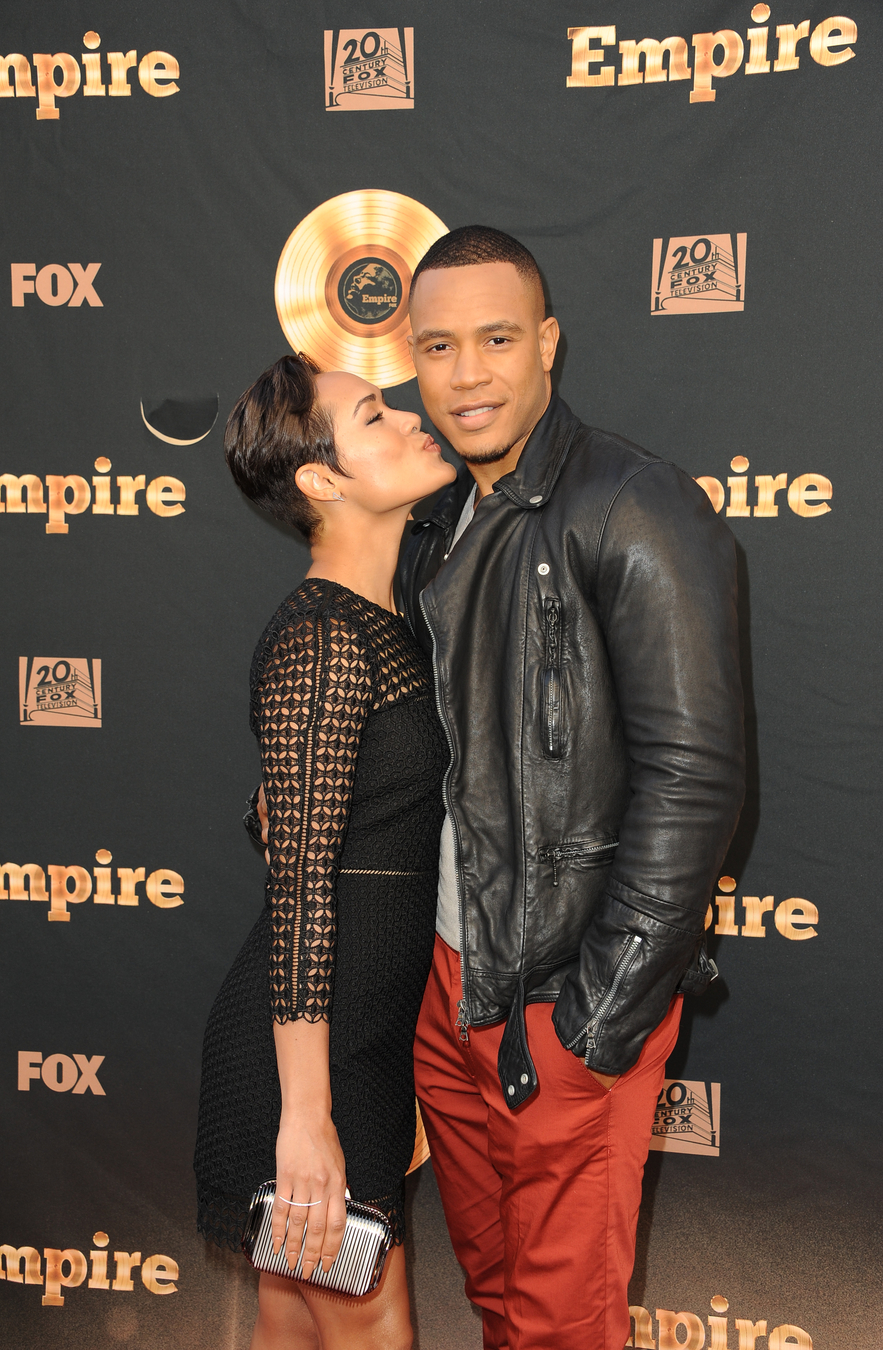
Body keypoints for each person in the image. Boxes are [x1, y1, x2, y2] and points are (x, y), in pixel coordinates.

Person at [398, 227, 746, 1350]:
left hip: (561, 998)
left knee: (560, 1325)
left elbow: (694, 778)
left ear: (547, 342)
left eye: (496, 339)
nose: (466, 374)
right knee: (497, 1300)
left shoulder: (634, 502)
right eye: (439, 346)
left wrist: (594, 1021)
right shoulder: (432, 517)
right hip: (450, 984)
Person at [193, 353, 455, 1350]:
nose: (411, 419)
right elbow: (301, 887)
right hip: (310, 1056)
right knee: (368, 1321)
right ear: (319, 479)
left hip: (361, 1038)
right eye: (374, 417)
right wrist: (306, 1115)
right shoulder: (324, 638)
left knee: (293, 1320)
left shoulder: (386, 618)